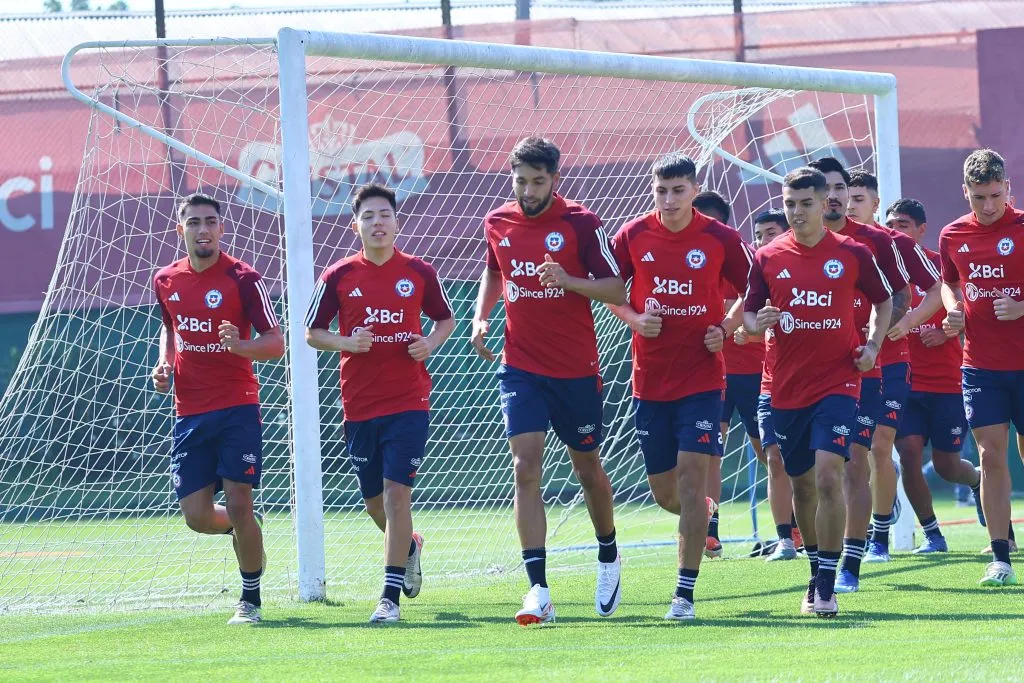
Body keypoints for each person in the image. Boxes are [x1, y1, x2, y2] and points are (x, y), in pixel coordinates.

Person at [470, 136, 627, 624]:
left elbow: (617, 287)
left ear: (555, 180)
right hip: (520, 366)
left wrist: (570, 281)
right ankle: (537, 589)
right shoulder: (497, 221)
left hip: (575, 371)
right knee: (524, 467)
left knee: (587, 470)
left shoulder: (581, 223)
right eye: (521, 181)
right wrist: (481, 316)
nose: (528, 190)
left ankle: (608, 552)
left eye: (538, 181)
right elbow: (494, 271)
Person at [609, 154, 752, 620]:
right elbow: (610, 289)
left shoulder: (720, 237)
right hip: (650, 382)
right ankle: (703, 511)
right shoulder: (632, 235)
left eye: (678, 190)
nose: (669, 200)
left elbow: (755, 289)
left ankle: (683, 594)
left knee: (691, 480)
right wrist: (634, 318)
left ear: (694, 190)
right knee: (666, 494)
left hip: (703, 380)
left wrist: (726, 328)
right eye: (661, 191)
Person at [745, 167, 892, 617]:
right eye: (789, 204)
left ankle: (827, 584)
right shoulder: (767, 257)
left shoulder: (852, 252)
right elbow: (748, 317)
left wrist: (872, 345)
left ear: (823, 203)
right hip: (787, 388)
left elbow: (884, 300)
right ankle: (815, 569)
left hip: (839, 383)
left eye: (805, 203)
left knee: (830, 475)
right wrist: (758, 323)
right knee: (803, 487)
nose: (797, 212)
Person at [305, 183, 454, 623]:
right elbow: (312, 333)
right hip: (359, 405)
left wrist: (429, 343)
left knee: (395, 495)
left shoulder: (420, 272)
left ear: (396, 222)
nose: (377, 223)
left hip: (409, 401)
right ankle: (409, 546)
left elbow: (445, 319)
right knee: (375, 504)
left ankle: (388, 598)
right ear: (355, 225)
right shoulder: (337, 276)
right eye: (368, 216)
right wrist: (347, 342)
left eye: (384, 214)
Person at [152, 192, 285, 625]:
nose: (203, 229)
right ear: (181, 230)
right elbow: (170, 329)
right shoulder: (165, 279)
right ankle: (245, 527)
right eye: (193, 223)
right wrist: (164, 364)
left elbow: (276, 343)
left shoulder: (244, 278)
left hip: (237, 407)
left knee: (240, 502)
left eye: (210, 221)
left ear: (222, 228)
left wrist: (240, 345)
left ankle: (250, 600)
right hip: (189, 411)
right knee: (196, 517)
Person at [805, 157, 908, 595]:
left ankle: (850, 563)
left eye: (839, 187)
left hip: (863, 372)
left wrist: (873, 342)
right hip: (807, 377)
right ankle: (815, 561)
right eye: (824, 188)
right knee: (812, 475)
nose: (832, 196)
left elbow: (900, 295)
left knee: (853, 463)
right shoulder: (791, 243)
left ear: (848, 193)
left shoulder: (874, 241)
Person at [847, 171, 943, 565]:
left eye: (858, 198)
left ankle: (879, 538)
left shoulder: (896, 243)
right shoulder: (824, 244)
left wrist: (907, 322)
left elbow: (937, 288)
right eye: (844, 196)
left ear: (874, 203)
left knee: (879, 446)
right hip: (843, 364)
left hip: (890, 363)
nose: (849, 204)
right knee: (849, 455)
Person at [939, 149, 1024, 587]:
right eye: (979, 197)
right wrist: (954, 309)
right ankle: (1000, 556)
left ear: (1008, 187)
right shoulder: (952, 234)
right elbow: (949, 282)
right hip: (981, 366)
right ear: (965, 193)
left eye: (994, 195)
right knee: (990, 456)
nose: (988, 206)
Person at [884, 198, 987, 553]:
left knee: (946, 466)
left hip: (946, 383)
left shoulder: (938, 269)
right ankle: (933, 535)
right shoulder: (880, 270)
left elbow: (971, 311)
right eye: (890, 225)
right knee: (908, 454)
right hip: (904, 383)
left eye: (903, 225)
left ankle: (977, 480)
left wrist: (947, 332)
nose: (895, 232)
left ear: (921, 229)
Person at [694, 190, 764, 558]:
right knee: (709, 453)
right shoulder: (683, 260)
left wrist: (735, 322)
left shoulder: (744, 257)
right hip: (709, 372)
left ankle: (796, 526)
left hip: (754, 371)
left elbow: (759, 301)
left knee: (769, 452)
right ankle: (710, 532)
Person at [746, 209, 802, 561]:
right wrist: (752, 325)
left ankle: (845, 533)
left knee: (826, 468)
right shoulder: (759, 270)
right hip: (772, 384)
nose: (763, 241)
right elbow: (748, 320)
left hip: (818, 384)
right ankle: (785, 539)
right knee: (774, 458)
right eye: (759, 235)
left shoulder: (815, 264)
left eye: (770, 232)